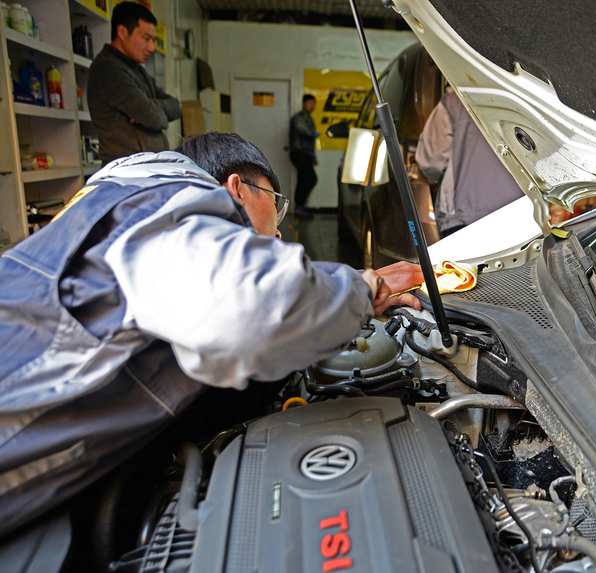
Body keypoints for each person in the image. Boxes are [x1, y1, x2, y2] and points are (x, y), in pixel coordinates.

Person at [0, 132, 424, 538]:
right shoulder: (162, 203)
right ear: (237, 188)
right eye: (274, 206)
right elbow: (251, 307)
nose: (277, 232)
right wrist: (361, 289)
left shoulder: (119, 200)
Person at [416, 89, 523, 237]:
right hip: (522, 216)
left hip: (465, 218)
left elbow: (431, 162)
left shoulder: (453, 101)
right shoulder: (521, 98)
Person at [87, 2, 181, 164]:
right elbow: (154, 118)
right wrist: (153, 110)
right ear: (122, 32)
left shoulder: (137, 70)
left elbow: (176, 107)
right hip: (127, 174)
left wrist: (152, 105)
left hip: (147, 170)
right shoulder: (108, 69)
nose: (151, 48)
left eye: (153, 40)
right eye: (146, 38)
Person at [289, 94, 319, 215]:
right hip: (299, 153)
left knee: (304, 179)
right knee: (310, 179)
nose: (312, 106)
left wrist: (313, 156)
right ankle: (299, 206)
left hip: (306, 154)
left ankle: (300, 206)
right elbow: (299, 128)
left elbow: (311, 141)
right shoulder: (299, 117)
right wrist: (312, 133)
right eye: (310, 103)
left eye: (313, 103)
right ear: (303, 103)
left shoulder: (308, 117)